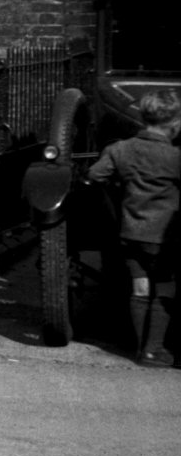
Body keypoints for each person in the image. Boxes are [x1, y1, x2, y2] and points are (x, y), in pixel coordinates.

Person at [86, 89, 179, 367]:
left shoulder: (120, 149)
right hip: (165, 238)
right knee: (165, 289)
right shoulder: (175, 157)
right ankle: (154, 349)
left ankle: (138, 348)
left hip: (130, 232)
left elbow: (94, 175)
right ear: (175, 123)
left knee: (139, 289)